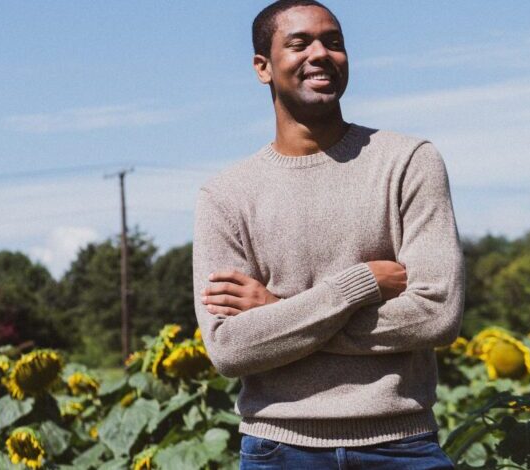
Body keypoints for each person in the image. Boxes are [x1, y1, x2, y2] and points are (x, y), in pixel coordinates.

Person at [192, 1, 464, 468]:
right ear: (263, 67)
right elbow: (230, 348)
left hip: (402, 445)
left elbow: (437, 314)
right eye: (299, 43)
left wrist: (280, 312)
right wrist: (354, 288)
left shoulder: (408, 162)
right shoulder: (226, 195)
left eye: (333, 42)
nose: (320, 54)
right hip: (277, 450)